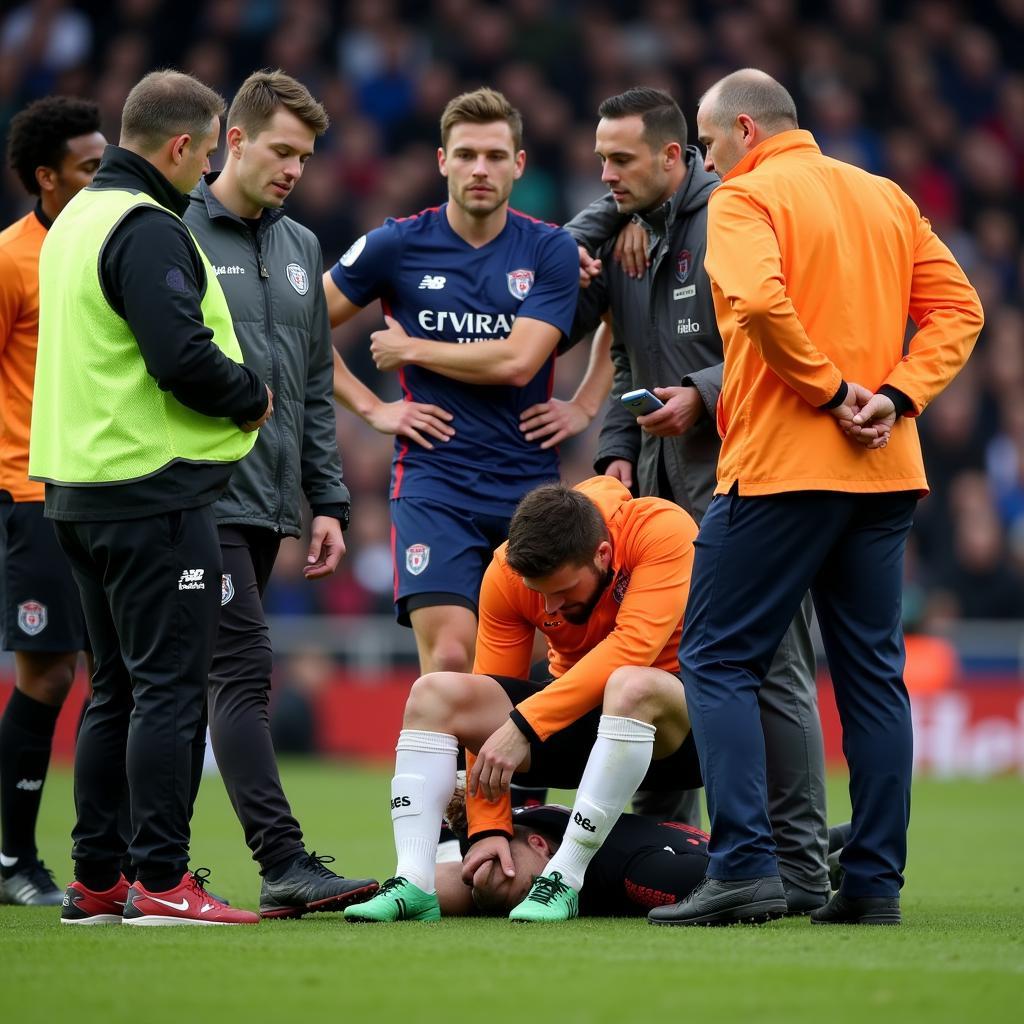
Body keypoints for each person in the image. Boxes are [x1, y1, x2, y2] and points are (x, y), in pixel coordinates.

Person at [652, 69, 983, 927]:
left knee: (717, 659)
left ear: (749, 131)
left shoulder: (744, 200)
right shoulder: (885, 196)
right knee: (875, 679)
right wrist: (897, 395)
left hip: (782, 466)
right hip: (884, 472)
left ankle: (745, 869)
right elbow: (961, 309)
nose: (705, 158)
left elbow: (760, 301)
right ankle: (873, 885)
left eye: (709, 140)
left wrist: (834, 395)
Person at [557, 86, 830, 912]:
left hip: (744, 478)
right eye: (599, 159)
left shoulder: (731, 218)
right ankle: (665, 853)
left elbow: (782, 335)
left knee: (769, 667)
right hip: (656, 493)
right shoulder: (635, 235)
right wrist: (612, 456)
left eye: (621, 161)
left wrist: (704, 396)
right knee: (652, 668)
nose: (605, 175)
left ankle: (798, 866)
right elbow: (631, 366)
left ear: (676, 156)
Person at [29, 70, 273, 927]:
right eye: (207, 154)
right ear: (178, 146)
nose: (207, 171)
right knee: (169, 690)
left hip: (75, 491)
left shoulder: (69, 225)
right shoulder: (145, 226)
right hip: (151, 492)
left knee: (115, 692)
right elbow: (179, 357)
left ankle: (96, 882)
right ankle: (163, 880)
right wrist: (249, 393)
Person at [183, 70, 377, 918]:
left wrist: (327, 501)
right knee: (242, 668)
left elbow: (309, 387)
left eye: (305, 154)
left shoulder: (300, 247)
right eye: (281, 149)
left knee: (185, 681)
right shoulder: (175, 230)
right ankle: (281, 859)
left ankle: (141, 864)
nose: (295, 167)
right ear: (234, 139)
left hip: (266, 503)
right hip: (194, 496)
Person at [343, 476, 701, 924]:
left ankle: (565, 878)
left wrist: (524, 724)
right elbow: (490, 689)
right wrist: (488, 825)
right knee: (435, 693)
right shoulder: (508, 571)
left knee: (630, 682)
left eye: (563, 591)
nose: (549, 608)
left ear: (603, 557)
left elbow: (633, 648)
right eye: (540, 594)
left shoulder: (661, 528)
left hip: (678, 735)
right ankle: (414, 881)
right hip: (574, 730)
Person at [323, 87, 580, 678]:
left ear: (519, 164)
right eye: (465, 154)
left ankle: (504, 774)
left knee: (529, 667)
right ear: (442, 162)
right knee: (448, 658)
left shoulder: (550, 249)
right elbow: (300, 320)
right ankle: (449, 774)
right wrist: (370, 408)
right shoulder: (398, 243)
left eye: (495, 155)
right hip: (435, 481)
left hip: (530, 484)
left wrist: (412, 347)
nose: (480, 169)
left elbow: (519, 361)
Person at [0, 96, 105, 906]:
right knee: (47, 674)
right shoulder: (11, 259)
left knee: (124, 676)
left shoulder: (115, 246)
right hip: (33, 490)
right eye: (89, 167)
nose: (104, 178)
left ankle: (115, 865)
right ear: (46, 177)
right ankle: (12, 861)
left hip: (113, 487)